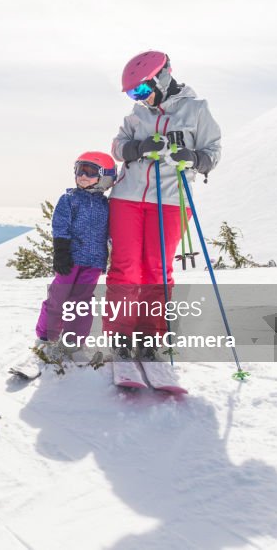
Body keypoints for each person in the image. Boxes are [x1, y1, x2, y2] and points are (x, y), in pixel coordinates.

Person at [106, 50, 221, 363]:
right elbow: (117, 147)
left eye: (142, 90)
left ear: (162, 77)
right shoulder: (137, 113)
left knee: (156, 267)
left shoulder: (196, 109)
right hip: (127, 198)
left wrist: (194, 158)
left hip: (171, 199)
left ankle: (151, 333)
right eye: (133, 93)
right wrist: (138, 147)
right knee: (125, 266)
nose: (140, 98)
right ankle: (120, 332)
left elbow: (213, 150)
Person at [32, 152, 115, 359]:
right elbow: (60, 226)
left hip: (94, 262)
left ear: (105, 178)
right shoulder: (70, 199)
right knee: (58, 296)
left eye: (90, 172)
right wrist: (60, 252)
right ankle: (45, 337)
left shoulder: (107, 205)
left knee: (81, 302)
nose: (83, 176)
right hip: (71, 259)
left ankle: (74, 342)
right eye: (80, 171)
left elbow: (112, 232)